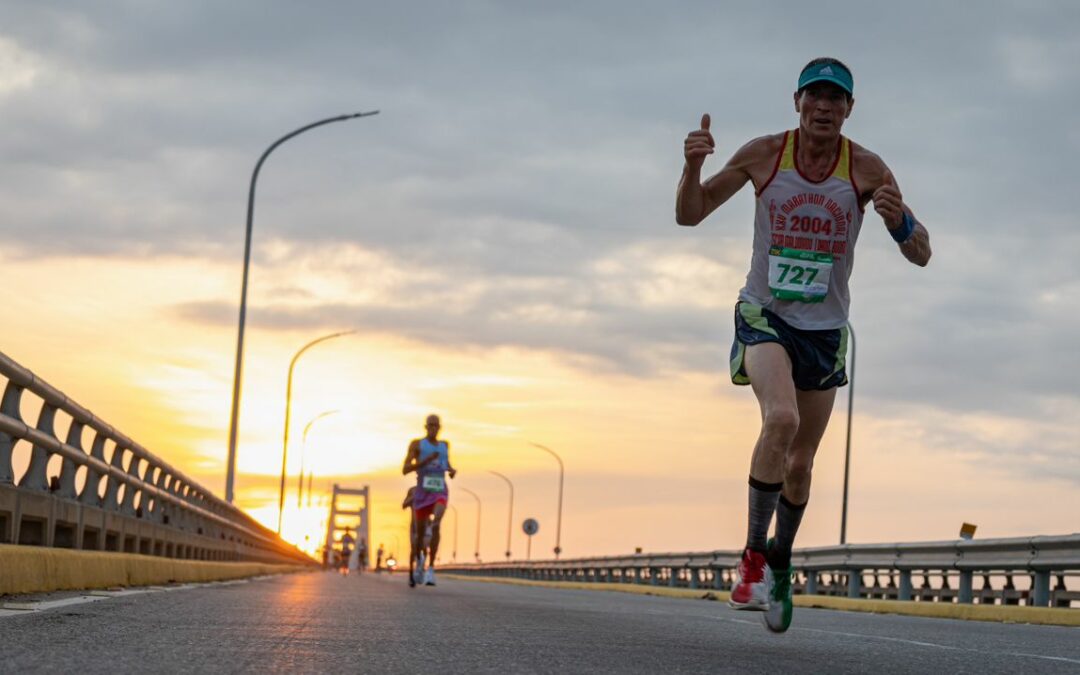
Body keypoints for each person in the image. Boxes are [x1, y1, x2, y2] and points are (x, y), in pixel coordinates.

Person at [675, 57, 931, 633]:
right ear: (796, 102)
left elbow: (923, 252)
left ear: (849, 109)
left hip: (824, 332)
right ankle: (752, 559)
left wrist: (899, 225)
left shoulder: (866, 168)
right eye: (815, 96)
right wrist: (691, 169)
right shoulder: (765, 154)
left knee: (801, 463)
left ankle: (781, 563)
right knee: (781, 420)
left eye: (835, 99)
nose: (824, 107)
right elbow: (690, 215)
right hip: (764, 314)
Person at [402, 414, 457, 587]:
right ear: (425, 427)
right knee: (418, 536)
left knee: (436, 523)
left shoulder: (444, 445)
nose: (433, 428)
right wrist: (424, 461)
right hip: (422, 492)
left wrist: (451, 470)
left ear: (440, 427)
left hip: (439, 489)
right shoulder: (417, 444)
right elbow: (405, 469)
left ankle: (431, 569)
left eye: (436, 425)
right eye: (430, 425)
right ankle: (419, 561)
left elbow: (446, 463)